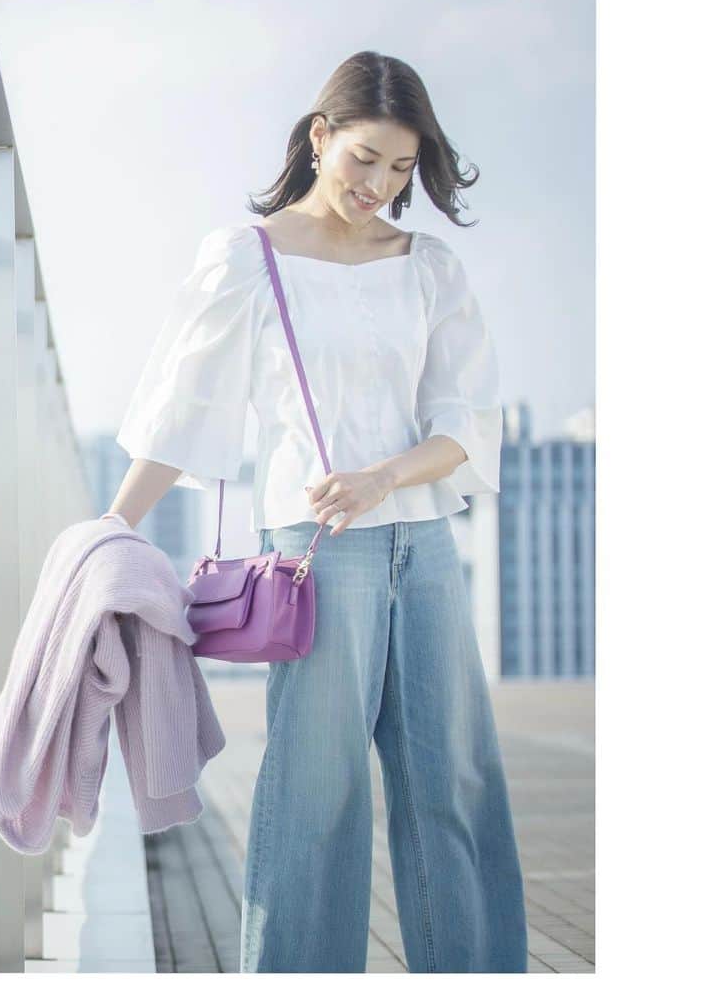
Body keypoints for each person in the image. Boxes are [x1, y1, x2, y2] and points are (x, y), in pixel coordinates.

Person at [105, 50, 528, 973]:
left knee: (453, 785)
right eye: (365, 158)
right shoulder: (246, 259)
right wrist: (111, 532)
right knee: (315, 794)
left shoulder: (429, 267)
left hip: (424, 546)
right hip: (316, 556)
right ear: (320, 135)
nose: (381, 184)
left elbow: (467, 424)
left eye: (403, 167)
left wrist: (383, 477)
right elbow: (180, 414)